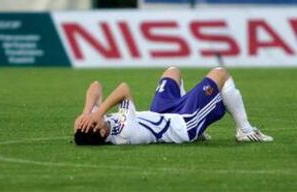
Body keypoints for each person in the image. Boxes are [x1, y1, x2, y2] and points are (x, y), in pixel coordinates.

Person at [74, 66, 273, 145]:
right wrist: (99, 112)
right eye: (94, 122)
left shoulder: (92, 126)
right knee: (220, 73)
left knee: (172, 72)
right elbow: (124, 89)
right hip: (182, 124)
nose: (94, 119)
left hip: (160, 113)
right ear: (101, 133)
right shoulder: (124, 132)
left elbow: (95, 86)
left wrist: (86, 113)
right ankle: (245, 131)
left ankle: (192, 111)